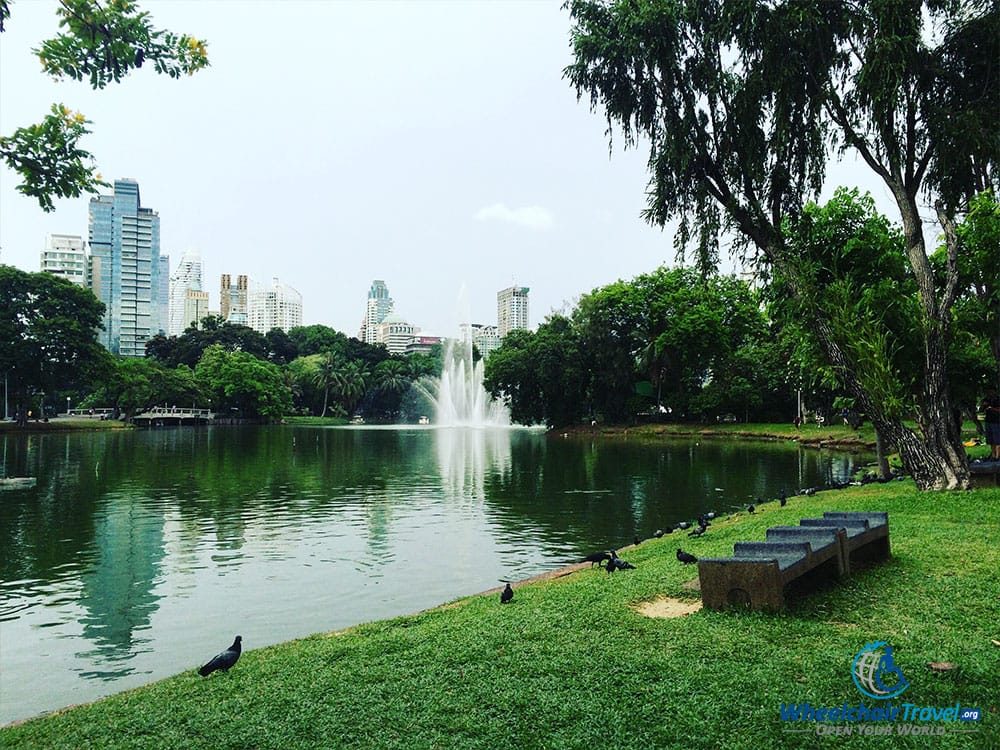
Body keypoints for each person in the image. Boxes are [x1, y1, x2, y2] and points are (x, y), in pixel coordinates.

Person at [982, 388, 1000, 461]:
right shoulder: (986, 400)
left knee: (997, 440)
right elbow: (981, 410)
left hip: (997, 422)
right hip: (988, 421)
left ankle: (997, 456)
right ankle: (993, 455)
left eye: (992, 391)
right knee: (990, 440)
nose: (990, 393)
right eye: (989, 392)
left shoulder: (998, 400)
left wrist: (991, 408)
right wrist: (983, 405)